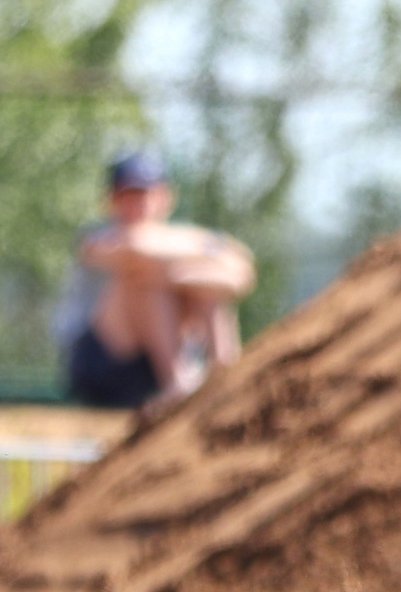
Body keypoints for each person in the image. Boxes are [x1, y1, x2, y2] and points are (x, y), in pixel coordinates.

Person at [55, 149, 256, 410]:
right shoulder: (96, 238)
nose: (138, 204)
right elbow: (136, 247)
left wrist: (180, 274)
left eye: (146, 194)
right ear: (110, 199)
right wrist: (207, 253)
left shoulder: (181, 239)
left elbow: (241, 270)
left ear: (166, 198)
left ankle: (228, 377)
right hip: (100, 366)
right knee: (140, 278)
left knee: (200, 287)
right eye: (128, 195)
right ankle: (178, 384)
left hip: (155, 364)